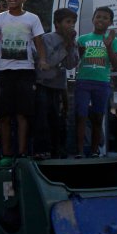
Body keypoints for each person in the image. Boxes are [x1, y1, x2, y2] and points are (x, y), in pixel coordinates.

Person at [0, 0, 48, 166]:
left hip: (25, 71)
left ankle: (23, 153)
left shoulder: (32, 18)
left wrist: (42, 59)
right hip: (5, 72)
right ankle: (7, 155)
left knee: (22, 114)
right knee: (3, 115)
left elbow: (39, 42)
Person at [74, 6, 117, 158]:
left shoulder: (113, 40)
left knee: (97, 117)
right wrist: (77, 51)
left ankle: (95, 150)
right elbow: (73, 61)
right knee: (80, 116)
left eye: (105, 18)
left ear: (110, 22)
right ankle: (80, 151)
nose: (101, 19)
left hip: (102, 83)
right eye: (98, 16)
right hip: (83, 81)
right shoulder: (82, 39)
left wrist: (108, 47)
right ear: (93, 19)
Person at [33, 8, 79, 160]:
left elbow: (71, 64)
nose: (71, 25)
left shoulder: (72, 42)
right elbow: (50, 61)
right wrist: (64, 45)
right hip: (43, 84)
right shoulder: (47, 39)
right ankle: (42, 150)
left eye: (73, 22)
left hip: (59, 86)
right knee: (42, 119)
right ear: (57, 24)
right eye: (68, 22)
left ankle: (58, 150)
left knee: (58, 120)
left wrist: (71, 45)